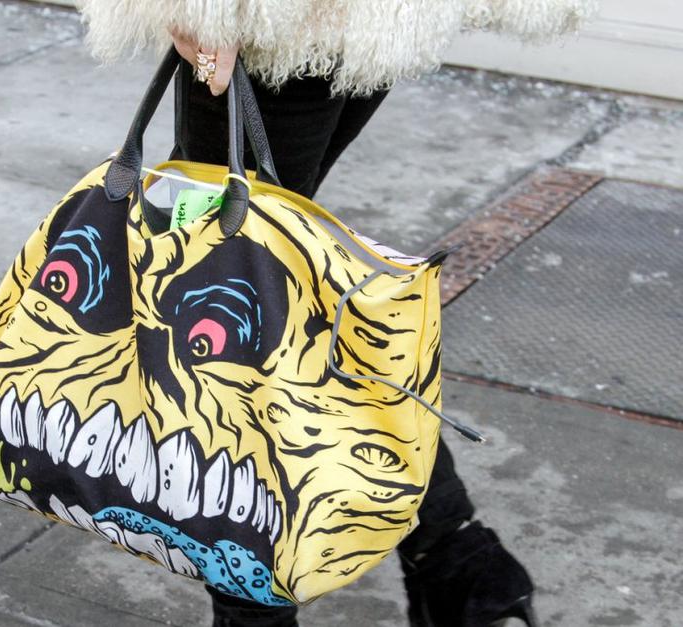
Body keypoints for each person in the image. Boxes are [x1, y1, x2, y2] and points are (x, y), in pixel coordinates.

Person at [74, 2, 598, 624]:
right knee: (264, 284)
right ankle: (459, 565)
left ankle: (278, 607)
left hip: (271, 23)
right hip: (364, 20)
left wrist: (202, 13)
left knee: (225, 303)